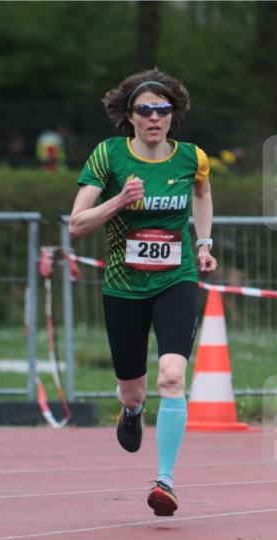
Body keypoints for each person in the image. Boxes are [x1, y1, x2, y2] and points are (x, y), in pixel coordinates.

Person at [69, 69, 217, 516]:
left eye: (163, 110)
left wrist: (204, 243)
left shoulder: (192, 157)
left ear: (175, 115)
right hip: (124, 286)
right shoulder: (108, 156)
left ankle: (165, 481)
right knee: (133, 391)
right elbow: (76, 224)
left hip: (176, 279)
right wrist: (117, 201)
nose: (155, 117)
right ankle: (131, 412)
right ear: (129, 117)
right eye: (145, 110)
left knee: (172, 375)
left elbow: (203, 194)